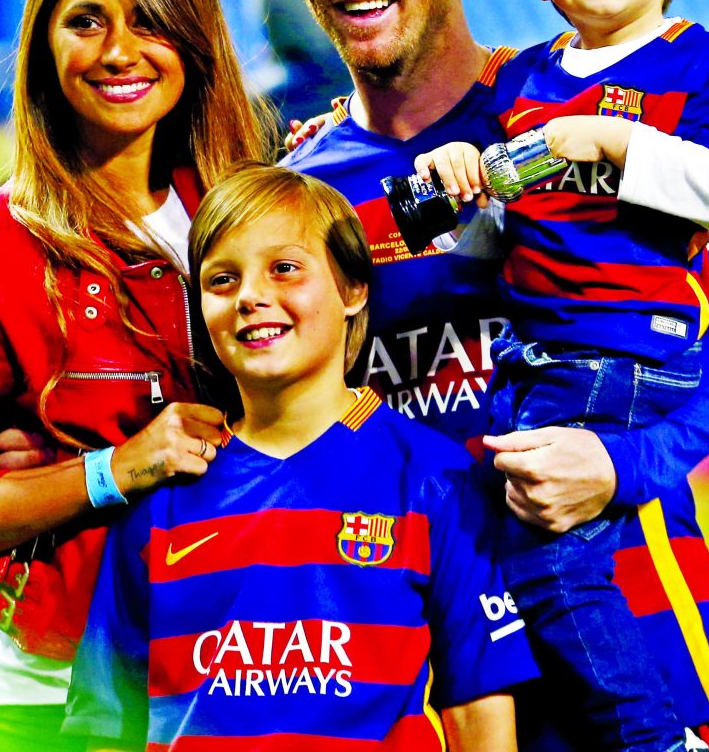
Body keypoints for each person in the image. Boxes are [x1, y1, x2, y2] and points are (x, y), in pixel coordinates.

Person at [273, 0, 709, 749]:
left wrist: (624, 465)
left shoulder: (594, 124)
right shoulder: (289, 197)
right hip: (421, 662)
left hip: (634, 613)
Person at [415, 0, 709, 751]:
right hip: (533, 359)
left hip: (619, 353)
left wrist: (618, 142)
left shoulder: (706, 68)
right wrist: (466, 188)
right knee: (526, 559)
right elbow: (499, 240)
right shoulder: (520, 82)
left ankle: (655, 739)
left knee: (548, 565)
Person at [0, 0, 273, 750]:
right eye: (86, 21)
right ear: (42, 41)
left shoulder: (258, 215)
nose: (119, 52)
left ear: (196, 38)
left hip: (258, 671)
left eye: (150, 21)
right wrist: (109, 471)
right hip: (55, 696)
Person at [63, 162, 539, 750]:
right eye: (221, 281)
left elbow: (478, 702)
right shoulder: (164, 490)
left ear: (353, 290)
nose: (252, 297)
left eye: (285, 269)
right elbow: (103, 722)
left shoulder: (434, 480)